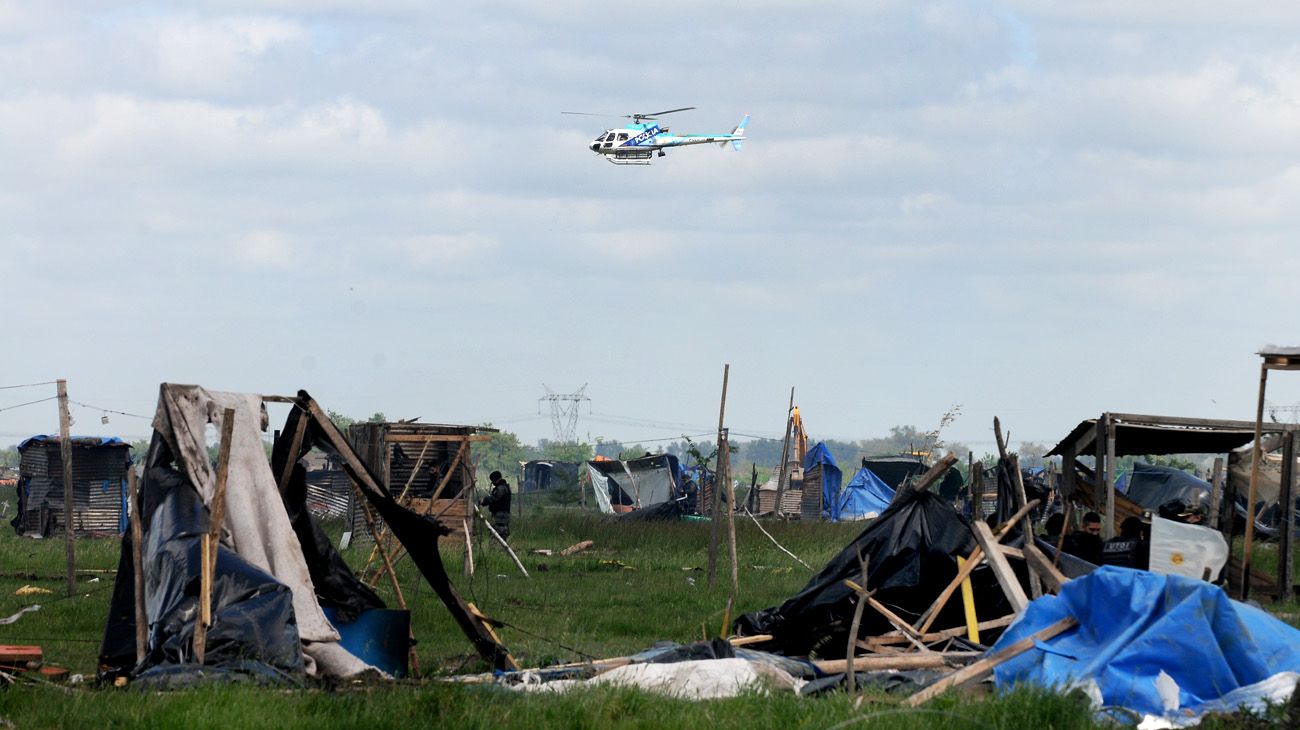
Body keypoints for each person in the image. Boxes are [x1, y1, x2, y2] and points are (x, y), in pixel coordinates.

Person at [482, 470, 513, 541]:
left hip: (501, 514)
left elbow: (495, 498)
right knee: (502, 531)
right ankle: (503, 547)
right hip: (503, 513)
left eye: (492, 480)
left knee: (497, 532)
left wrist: (484, 500)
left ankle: (494, 548)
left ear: (495, 479)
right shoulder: (504, 487)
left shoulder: (501, 488)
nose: (492, 483)